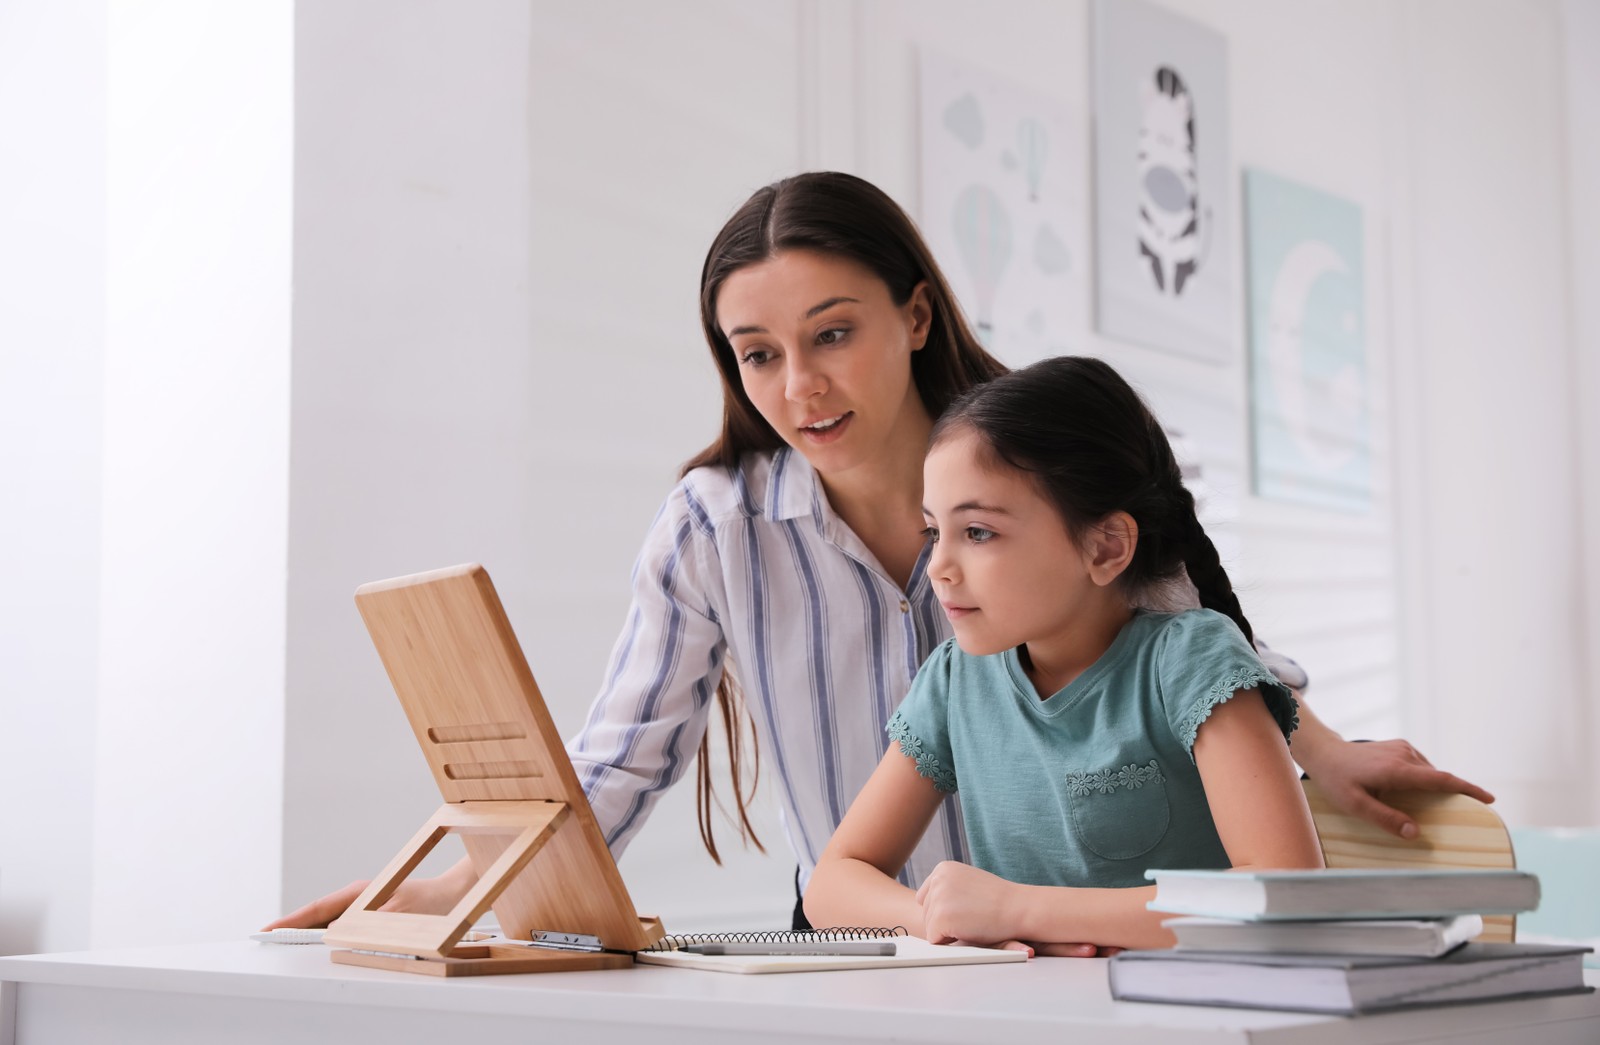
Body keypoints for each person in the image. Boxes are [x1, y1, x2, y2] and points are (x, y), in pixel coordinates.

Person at [267, 172, 1491, 945]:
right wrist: (442, 886)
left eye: (833, 333)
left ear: (913, 316)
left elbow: (1184, 609)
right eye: (755, 353)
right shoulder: (713, 527)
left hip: (1106, 947)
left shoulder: (1035, 464)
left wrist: (1320, 748)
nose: (798, 386)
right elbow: (618, 765)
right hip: (876, 945)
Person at [804, 356, 1325, 951]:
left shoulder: (1190, 660)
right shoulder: (956, 680)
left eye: (978, 532)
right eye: (934, 532)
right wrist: (949, 920)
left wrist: (1021, 909)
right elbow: (832, 886)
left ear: (1106, 546)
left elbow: (1285, 893)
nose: (939, 568)